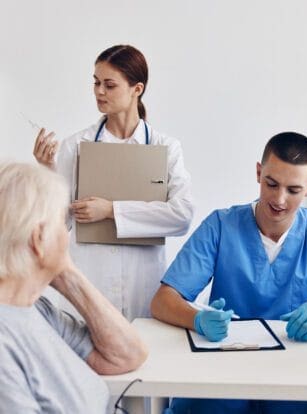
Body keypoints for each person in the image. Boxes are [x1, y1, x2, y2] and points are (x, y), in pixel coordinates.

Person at [151, 132, 307, 414]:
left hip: (297, 375)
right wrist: (197, 319)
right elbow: (163, 300)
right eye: (271, 183)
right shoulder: (221, 226)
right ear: (259, 172)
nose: (279, 199)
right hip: (221, 373)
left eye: (294, 190)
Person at [33, 44, 193, 320]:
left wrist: (111, 210)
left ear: (137, 89)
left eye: (109, 84)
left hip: (141, 284)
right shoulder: (76, 146)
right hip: (90, 279)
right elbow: (60, 225)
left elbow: (182, 216)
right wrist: (48, 172)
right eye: (96, 83)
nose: (99, 92)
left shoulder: (165, 147)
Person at [0, 161, 148, 413]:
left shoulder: (37, 308)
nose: (67, 234)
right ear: (39, 238)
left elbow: (127, 355)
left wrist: (65, 272)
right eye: (61, 222)